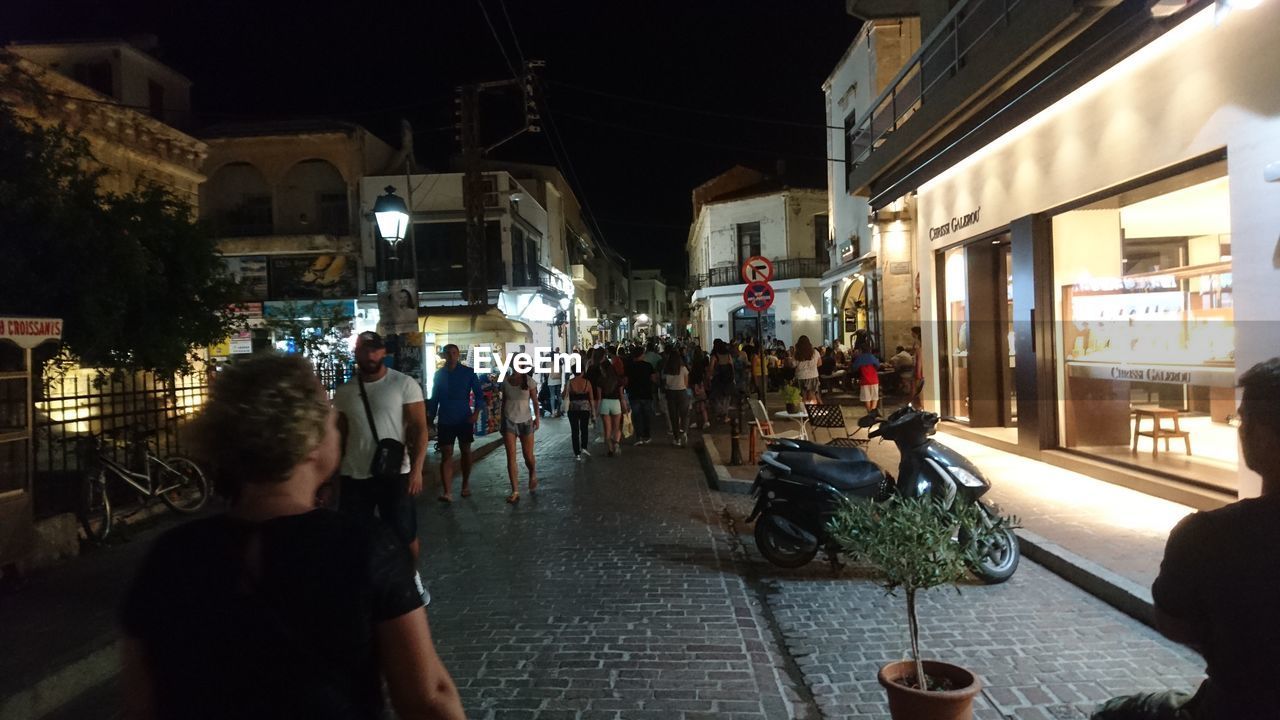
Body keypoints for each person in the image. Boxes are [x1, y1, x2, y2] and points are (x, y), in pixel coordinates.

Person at [120, 353, 465, 720]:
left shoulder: (171, 556)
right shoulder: (365, 548)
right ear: (309, 440)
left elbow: (140, 706)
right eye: (331, 417)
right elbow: (427, 698)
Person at [1092, 358, 1280, 720]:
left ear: (1262, 435)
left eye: (1243, 420)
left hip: (1234, 707)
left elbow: (1174, 624)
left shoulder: (1209, 536)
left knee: (1116, 714)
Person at [333, 331, 430, 604]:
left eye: (375, 350)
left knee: (404, 532)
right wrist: (333, 477)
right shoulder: (345, 392)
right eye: (365, 350)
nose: (370, 355)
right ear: (357, 353)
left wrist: (417, 469)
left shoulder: (403, 384)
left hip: (394, 474)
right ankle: (361, 583)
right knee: (353, 534)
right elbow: (339, 435)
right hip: (354, 474)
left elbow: (420, 429)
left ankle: (411, 578)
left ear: (383, 352)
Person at [428, 344, 483, 503]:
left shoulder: (468, 373)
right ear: (444, 356)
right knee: (446, 453)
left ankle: (465, 484)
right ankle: (447, 491)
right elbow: (435, 398)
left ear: (458, 355)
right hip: (445, 418)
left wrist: (476, 413)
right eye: (448, 353)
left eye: (454, 353)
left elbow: (479, 396)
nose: (451, 356)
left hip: (464, 418)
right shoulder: (439, 375)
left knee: (466, 451)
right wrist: (430, 418)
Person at [499, 367, 539, 504]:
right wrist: (501, 421)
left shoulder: (529, 382)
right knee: (511, 457)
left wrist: (537, 418)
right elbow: (503, 402)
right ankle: (515, 491)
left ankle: (532, 472)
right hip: (509, 420)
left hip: (526, 420)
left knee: (528, 455)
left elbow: (534, 400)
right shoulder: (506, 382)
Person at [589, 347, 627, 456]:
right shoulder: (617, 380)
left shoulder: (600, 381)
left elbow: (599, 398)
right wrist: (625, 407)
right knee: (617, 427)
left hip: (605, 403)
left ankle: (610, 449)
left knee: (607, 429)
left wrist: (596, 412)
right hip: (616, 404)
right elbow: (621, 396)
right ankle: (616, 444)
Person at [563, 359, 596, 460]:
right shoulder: (587, 383)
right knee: (584, 428)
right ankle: (584, 447)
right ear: (582, 371)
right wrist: (593, 411)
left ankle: (577, 453)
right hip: (585, 408)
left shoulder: (570, 382)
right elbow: (591, 398)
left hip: (572, 409)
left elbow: (563, 395)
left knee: (575, 430)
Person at [625, 346, 657, 445]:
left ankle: (638, 437)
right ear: (642, 355)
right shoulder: (648, 366)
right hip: (646, 394)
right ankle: (647, 436)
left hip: (634, 394)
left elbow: (626, 381)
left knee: (636, 416)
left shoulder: (629, 366)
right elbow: (654, 379)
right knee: (646, 416)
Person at [661, 349, 691, 447]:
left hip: (671, 393)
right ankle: (685, 432)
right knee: (684, 414)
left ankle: (676, 438)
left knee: (673, 416)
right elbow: (686, 383)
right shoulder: (683, 368)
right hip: (682, 392)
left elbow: (664, 383)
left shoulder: (666, 369)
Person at [708, 339, 736, 423]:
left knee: (716, 397)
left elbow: (711, 368)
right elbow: (732, 367)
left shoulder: (714, 356)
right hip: (728, 379)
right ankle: (725, 415)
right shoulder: (728, 355)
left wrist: (709, 377)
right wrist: (733, 377)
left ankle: (720, 413)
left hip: (718, 379)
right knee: (727, 398)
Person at [852, 344, 881, 413]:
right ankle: (873, 412)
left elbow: (854, 368)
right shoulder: (872, 357)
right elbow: (878, 366)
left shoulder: (859, 358)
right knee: (875, 397)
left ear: (861, 350)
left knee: (867, 398)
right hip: (874, 380)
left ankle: (869, 413)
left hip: (865, 380)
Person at [793, 335, 820, 404]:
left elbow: (793, 365)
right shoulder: (815, 352)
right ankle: (813, 411)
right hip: (813, 375)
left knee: (803, 396)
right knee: (812, 395)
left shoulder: (797, 353)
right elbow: (819, 363)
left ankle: (804, 411)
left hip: (800, 376)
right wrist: (812, 366)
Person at [688, 348, 711, 430]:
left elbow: (691, 376)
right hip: (702, 385)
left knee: (696, 405)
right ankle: (706, 421)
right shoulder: (703, 364)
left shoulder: (694, 365)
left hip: (696, 386)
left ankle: (696, 422)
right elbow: (706, 375)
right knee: (702, 404)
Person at [545, 348, 564, 417]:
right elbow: (561, 372)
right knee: (559, 395)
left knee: (552, 396)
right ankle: (558, 411)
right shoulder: (559, 362)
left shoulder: (548, 363)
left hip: (551, 381)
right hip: (558, 380)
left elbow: (547, 374)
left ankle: (553, 412)